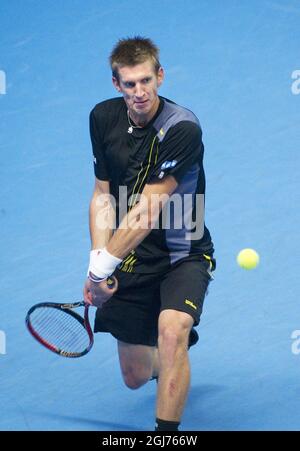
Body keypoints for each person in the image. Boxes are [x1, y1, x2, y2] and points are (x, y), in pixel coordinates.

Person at [83, 36, 216, 432]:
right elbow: (103, 195)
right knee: (136, 376)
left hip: (184, 254)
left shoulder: (182, 128)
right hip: (133, 259)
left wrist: (97, 273)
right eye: (129, 84)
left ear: (160, 76)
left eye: (146, 81)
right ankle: (172, 359)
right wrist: (98, 261)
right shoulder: (102, 118)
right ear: (116, 84)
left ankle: (166, 437)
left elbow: (147, 210)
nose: (139, 92)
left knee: (172, 329)